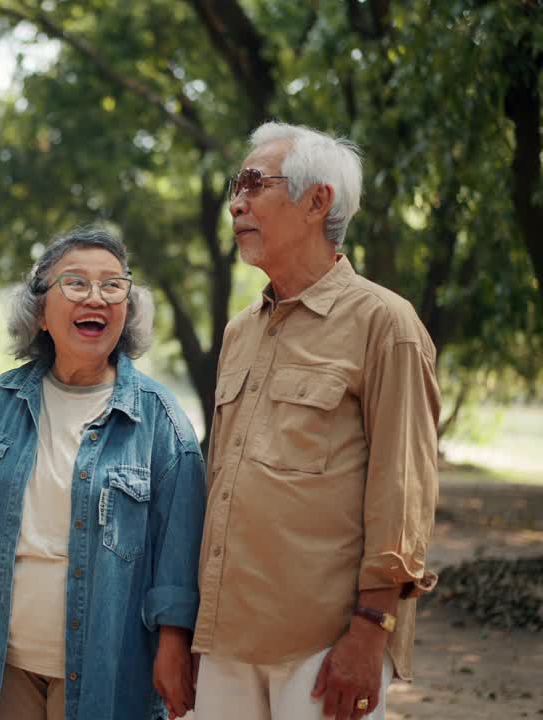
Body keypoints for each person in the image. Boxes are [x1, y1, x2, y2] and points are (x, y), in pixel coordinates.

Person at [191, 122, 440, 720]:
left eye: (254, 183)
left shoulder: (386, 324)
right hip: (227, 640)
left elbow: (401, 494)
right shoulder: (240, 330)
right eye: (235, 185)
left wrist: (370, 630)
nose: (237, 202)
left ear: (317, 201)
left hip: (324, 646)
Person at [0, 226, 206, 720]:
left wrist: (174, 645)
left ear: (129, 307)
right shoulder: (1, 402)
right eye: (75, 283)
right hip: (2, 665)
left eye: (112, 285)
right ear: (40, 313)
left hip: (110, 672)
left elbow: (178, 556)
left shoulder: (162, 422)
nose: (95, 297)